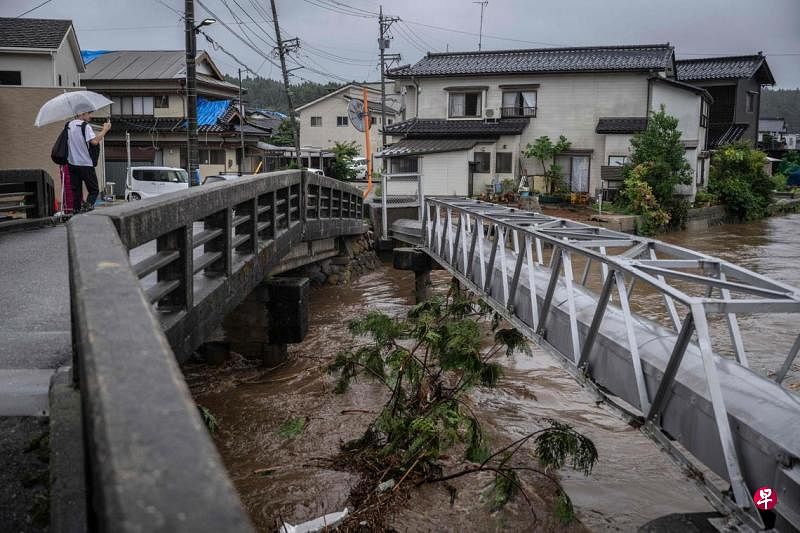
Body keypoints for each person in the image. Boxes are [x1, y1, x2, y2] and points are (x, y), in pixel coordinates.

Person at [67, 112, 110, 213]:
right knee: (94, 190)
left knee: (76, 192)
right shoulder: (85, 126)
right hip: (85, 163)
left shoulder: (68, 126)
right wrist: (105, 129)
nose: (90, 116)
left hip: (72, 163)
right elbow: (94, 141)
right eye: (88, 114)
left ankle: (76, 213)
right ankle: (86, 209)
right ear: (82, 113)